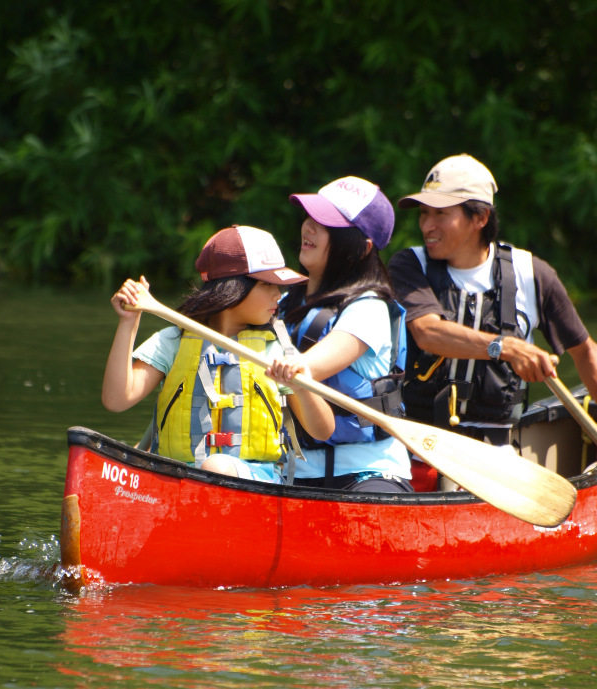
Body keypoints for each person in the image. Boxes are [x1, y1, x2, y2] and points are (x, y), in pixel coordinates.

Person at [387, 153, 597, 447]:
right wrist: (506, 347)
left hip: (498, 456)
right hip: (418, 448)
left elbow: (586, 353)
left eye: (440, 214)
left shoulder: (533, 275)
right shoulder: (409, 265)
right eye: (424, 213)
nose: (426, 226)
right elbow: (427, 333)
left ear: (480, 217)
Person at [102, 225, 335, 483]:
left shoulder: (276, 349)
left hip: (257, 482)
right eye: (267, 284)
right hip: (177, 480)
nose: (278, 295)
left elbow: (322, 431)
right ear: (234, 287)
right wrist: (128, 324)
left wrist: (303, 387)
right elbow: (116, 399)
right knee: (208, 468)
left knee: (216, 466)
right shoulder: (174, 341)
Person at [269, 176, 413, 493]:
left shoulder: (370, 308)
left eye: (326, 224)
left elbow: (311, 366)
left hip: (368, 475)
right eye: (310, 216)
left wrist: (296, 368)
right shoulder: (284, 303)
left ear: (361, 248)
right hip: (291, 472)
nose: (308, 227)